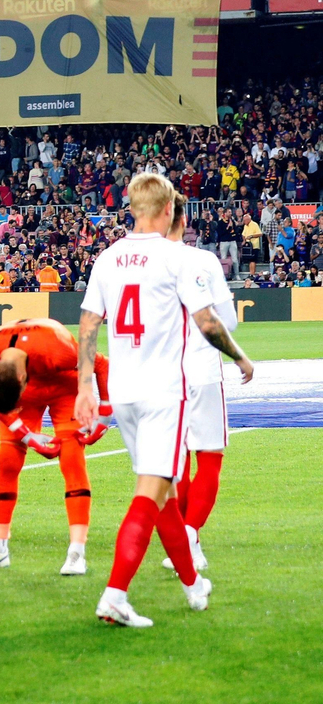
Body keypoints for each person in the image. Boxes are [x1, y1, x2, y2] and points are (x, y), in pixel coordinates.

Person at [77, 175, 254, 628]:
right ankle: (115, 594)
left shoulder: (108, 258)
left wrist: (84, 386)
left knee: (167, 496)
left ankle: (194, 585)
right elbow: (207, 321)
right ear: (170, 210)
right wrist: (239, 357)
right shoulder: (177, 257)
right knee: (150, 494)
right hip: (163, 393)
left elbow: (88, 325)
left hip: (124, 391)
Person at [0, 318, 114, 575]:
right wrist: (26, 436)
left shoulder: (56, 349)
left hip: (63, 382)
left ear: (22, 378)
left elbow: (101, 363)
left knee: (72, 457)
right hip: (28, 382)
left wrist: (105, 414)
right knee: (7, 459)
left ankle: (77, 552)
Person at [164, 194, 237, 573]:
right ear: (183, 221)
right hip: (203, 370)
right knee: (209, 457)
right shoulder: (203, 260)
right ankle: (190, 535)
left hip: (162, 374)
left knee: (176, 463)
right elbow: (228, 322)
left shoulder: (142, 261)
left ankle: (178, 537)